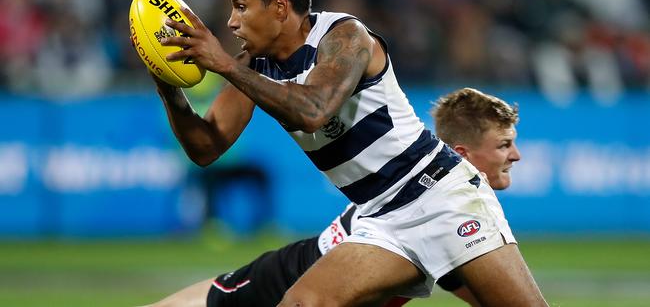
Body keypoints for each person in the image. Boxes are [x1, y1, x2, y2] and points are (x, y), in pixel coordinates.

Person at [149, 0, 546, 306]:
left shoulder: (345, 36)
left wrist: (224, 65)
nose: (232, 22)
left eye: (241, 7)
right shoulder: (254, 67)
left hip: (440, 195)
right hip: (379, 216)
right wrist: (167, 81)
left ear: (281, 7)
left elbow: (314, 110)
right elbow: (205, 148)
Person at [144, 87, 522, 307]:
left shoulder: (444, 213)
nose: (515, 155)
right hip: (275, 280)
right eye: (504, 145)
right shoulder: (436, 210)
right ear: (463, 153)